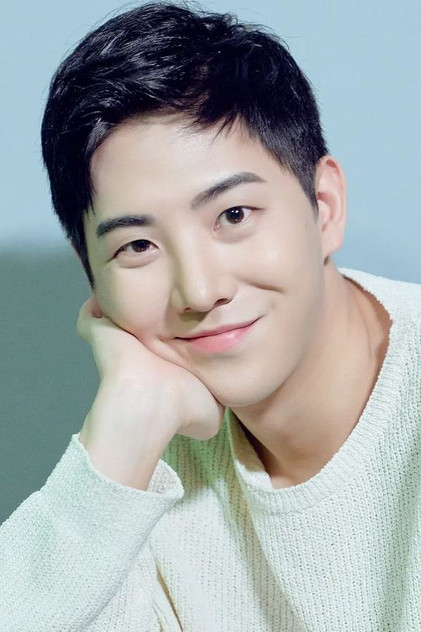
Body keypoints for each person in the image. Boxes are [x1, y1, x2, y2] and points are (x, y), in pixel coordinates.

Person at [1, 1, 420, 630]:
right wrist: (121, 441)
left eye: (233, 215)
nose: (198, 290)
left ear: (325, 206)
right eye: (137, 246)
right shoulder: (136, 475)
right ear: (93, 278)